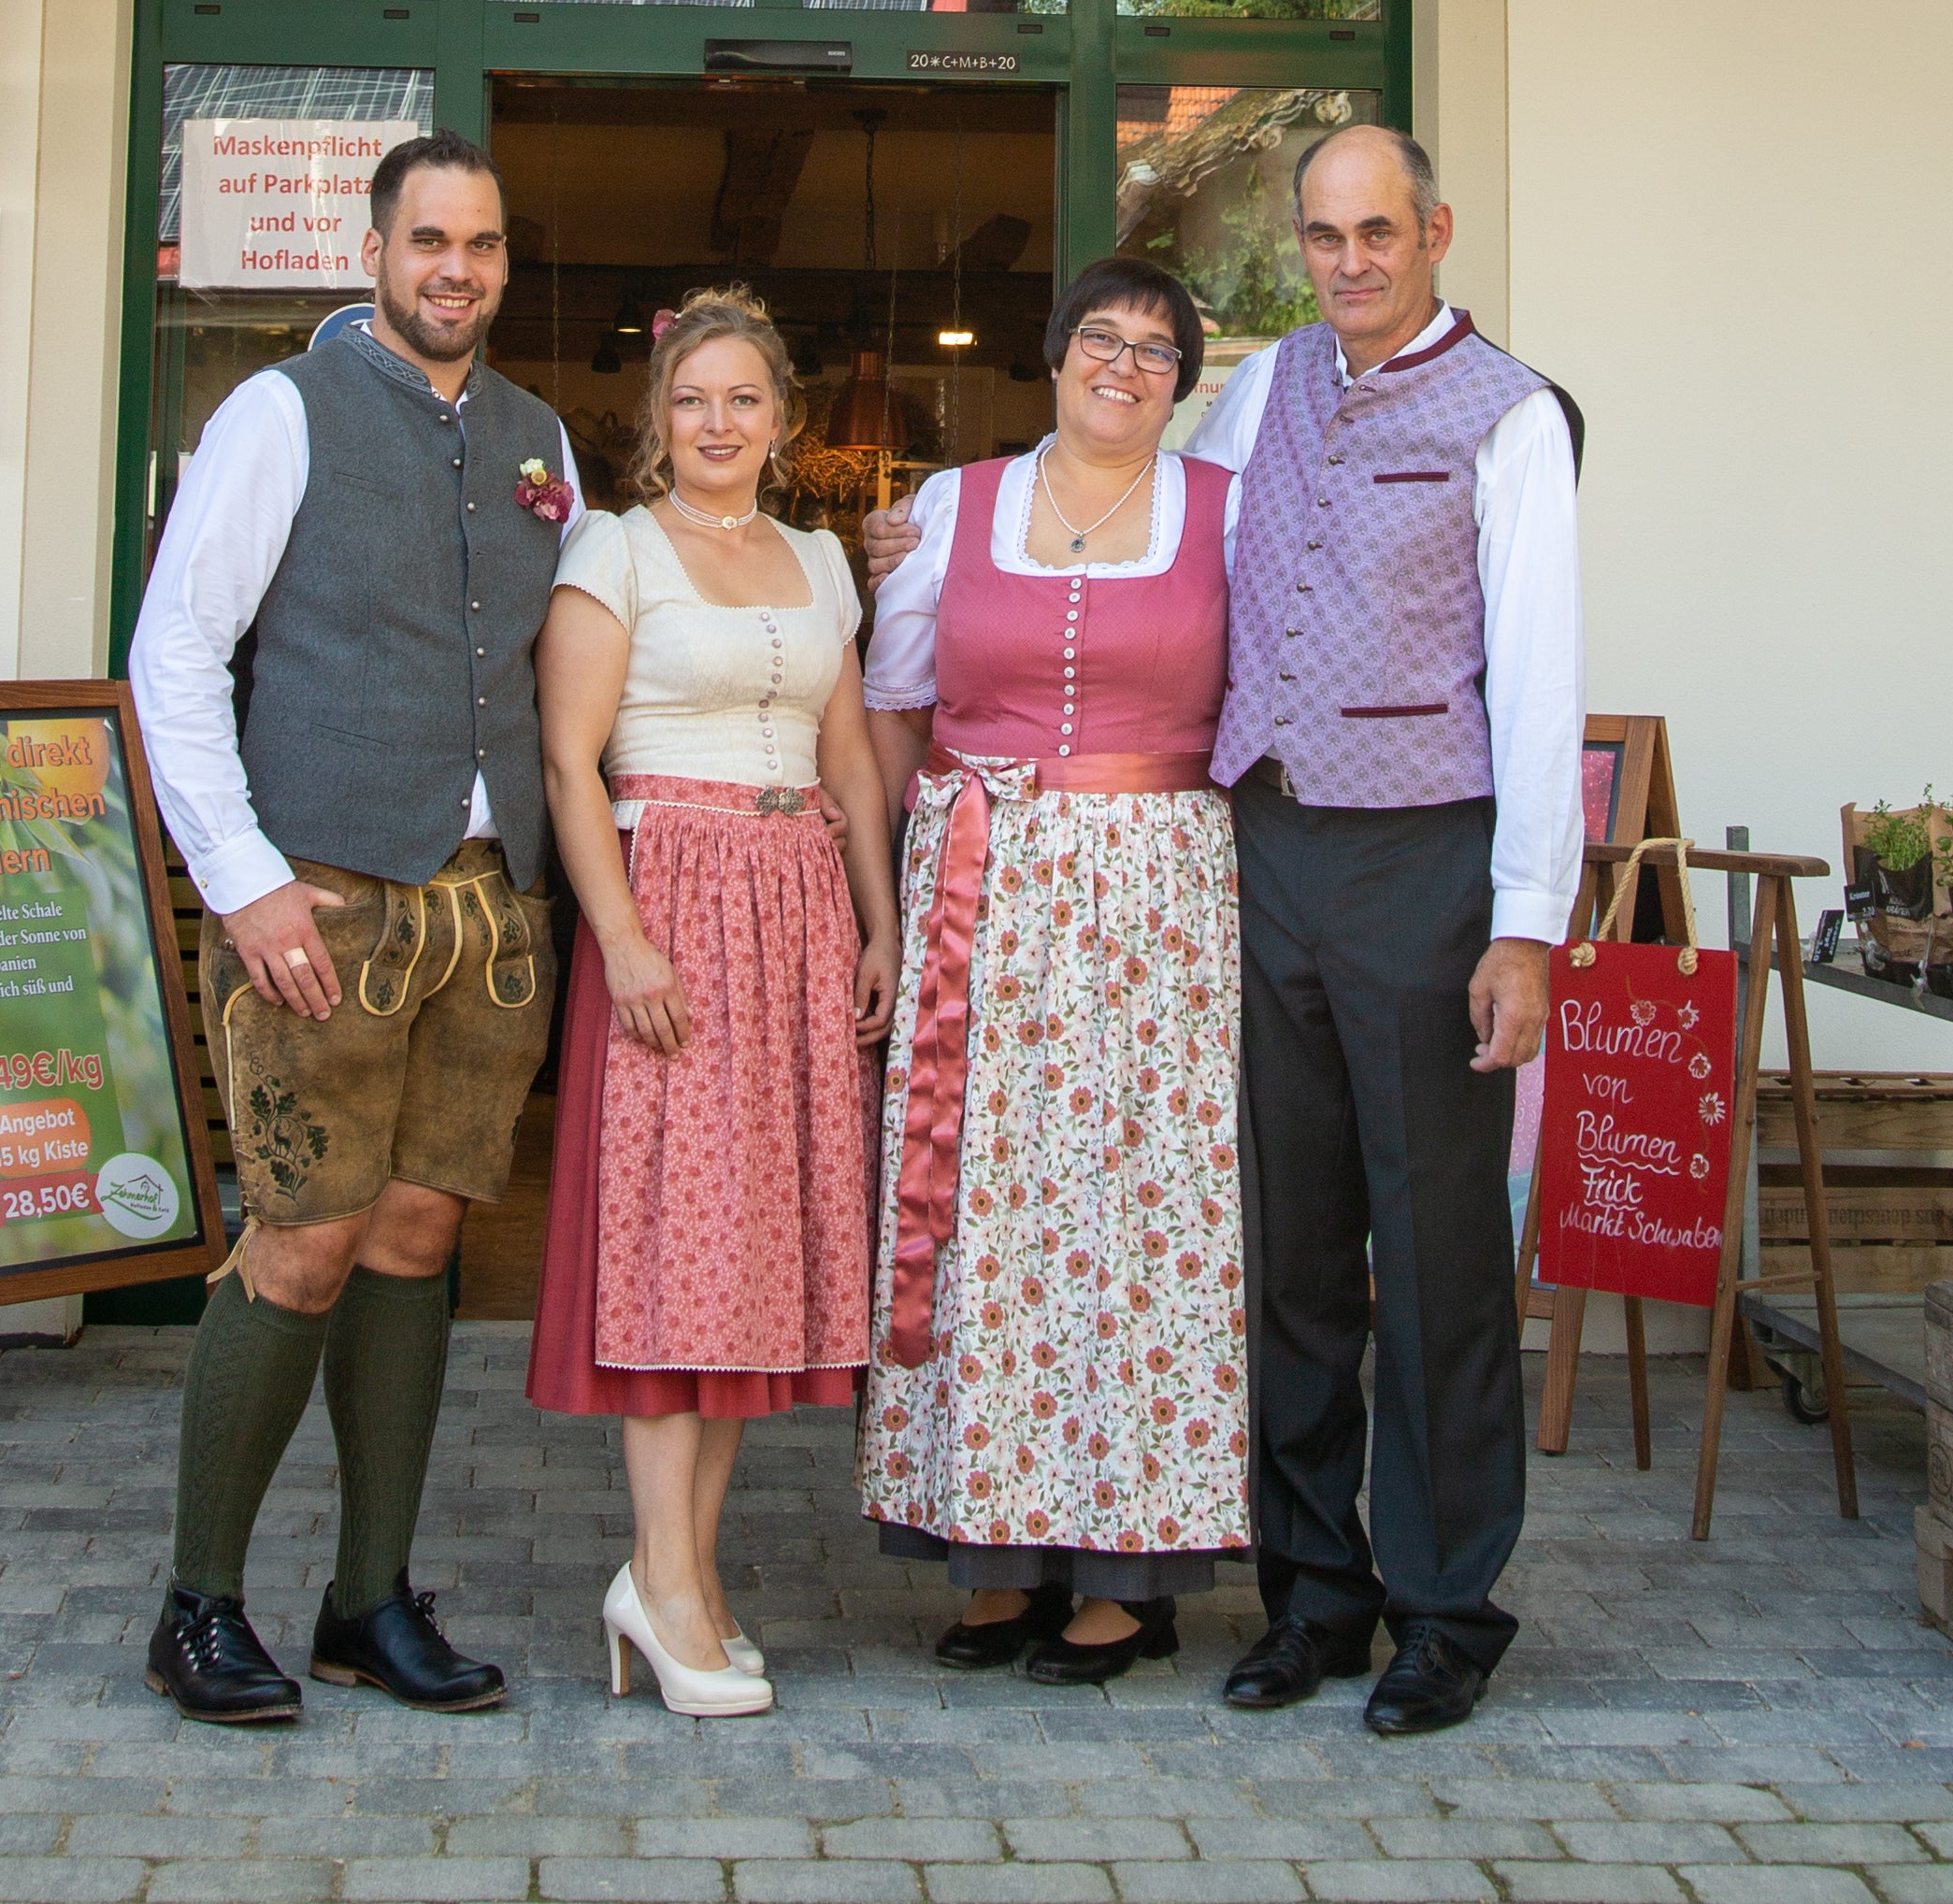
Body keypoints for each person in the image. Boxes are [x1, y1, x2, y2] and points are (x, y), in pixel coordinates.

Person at [869, 125, 1583, 1734]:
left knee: (1436, 1253)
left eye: (1376, 232)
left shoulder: (1511, 417)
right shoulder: (1260, 394)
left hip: (1424, 855)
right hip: (1258, 851)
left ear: (1434, 234)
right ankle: (1312, 1589)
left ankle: (1446, 1608)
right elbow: (1127, 501)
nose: (1348, 262)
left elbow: (1542, 678)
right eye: (1324, 236)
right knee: (1292, 1251)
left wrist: (1525, 923)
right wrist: (910, 544)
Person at [128, 130, 588, 1723]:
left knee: (415, 1239)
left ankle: (366, 1599)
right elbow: (176, 651)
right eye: (428, 240)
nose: (456, 269)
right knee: (304, 1235)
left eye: (482, 243)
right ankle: (197, 1603)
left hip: (486, 903)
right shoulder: (282, 410)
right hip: (319, 895)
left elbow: (582, 642)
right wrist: (239, 875)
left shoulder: (540, 438)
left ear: (505, 262)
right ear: (374, 251)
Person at [855, 256, 1249, 1688]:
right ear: (1053, 351)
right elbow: (892, 708)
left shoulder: (1227, 511)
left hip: (1162, 912)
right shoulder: (951, 508)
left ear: (1182, 381)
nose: (1123, 365)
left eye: (1155, 349)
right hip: (986, 894)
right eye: (1101, 336)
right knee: (984, 1222)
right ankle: (995, 1548)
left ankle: (1127, 1568)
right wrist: (896, 890)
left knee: (1143, 1225)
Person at [525, 288, 899, 1717]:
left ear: (782, 419)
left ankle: (680, 1572)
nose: (718, 421)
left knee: (744, 1260)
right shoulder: (612, 551)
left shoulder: (818, 558)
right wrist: (620, 939)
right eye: (692, 399)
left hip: (797, 911)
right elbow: (568, 763)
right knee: (667, 1254)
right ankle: (663, 1578)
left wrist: (877, 917)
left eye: (743, 398)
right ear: (657, 418)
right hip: (672, 905)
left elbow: (849, 755)